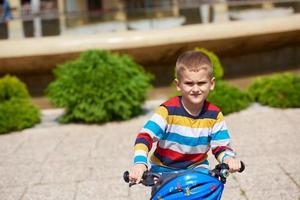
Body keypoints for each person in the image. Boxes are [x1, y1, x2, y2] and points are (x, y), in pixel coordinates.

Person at [129, 50, 241, 184]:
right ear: (178, 85)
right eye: (189, 83)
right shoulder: (167, 111)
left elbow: (221, 147)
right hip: (164, 171)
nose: (195, 89)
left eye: (201, 83)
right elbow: (145, 136)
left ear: (211, 84)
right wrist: (140, 163)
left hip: (197, 170)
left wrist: (228, 159)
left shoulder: (214, 115)